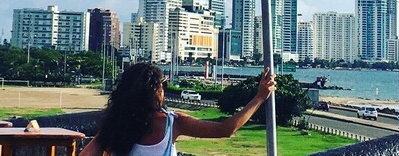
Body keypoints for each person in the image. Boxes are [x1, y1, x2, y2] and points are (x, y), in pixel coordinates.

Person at [81, 64, 276, 156]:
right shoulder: (172, 123)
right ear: (154, 91)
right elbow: (225, 129)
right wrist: (259, 97)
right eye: (161, 86)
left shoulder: (115, 126)